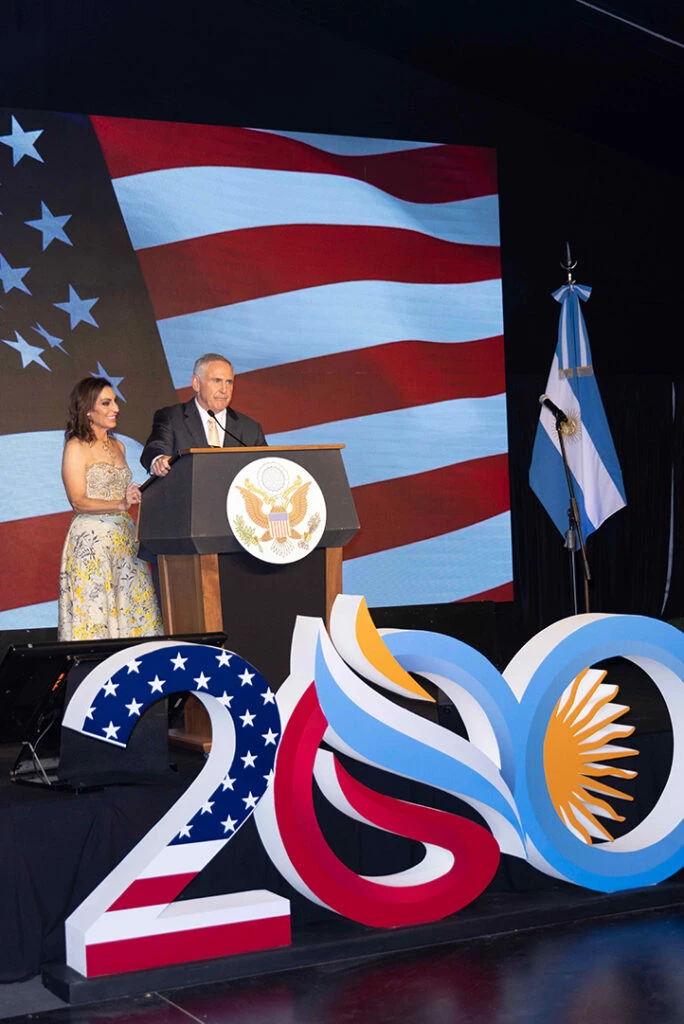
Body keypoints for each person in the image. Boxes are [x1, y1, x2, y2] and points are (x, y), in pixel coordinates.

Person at [58, 377, 163, 641]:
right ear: (88, 410)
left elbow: (119, 493)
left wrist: (133, 493)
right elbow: (78, 500)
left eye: (114, 401)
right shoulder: (76, 447)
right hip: (92, 544)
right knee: (96, 616)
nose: (115, 408)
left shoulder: (120, 446)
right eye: (107, 403)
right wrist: (120, 503)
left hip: (125, 541)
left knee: (134, 609)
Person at [140, 353, 267, 476]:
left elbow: (266, 467)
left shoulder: (250, 429)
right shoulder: (172, 417)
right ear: (196, 383)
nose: (224, 390)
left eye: (229, 382)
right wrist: (158, 460)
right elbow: (154, 448)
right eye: (217, 381)